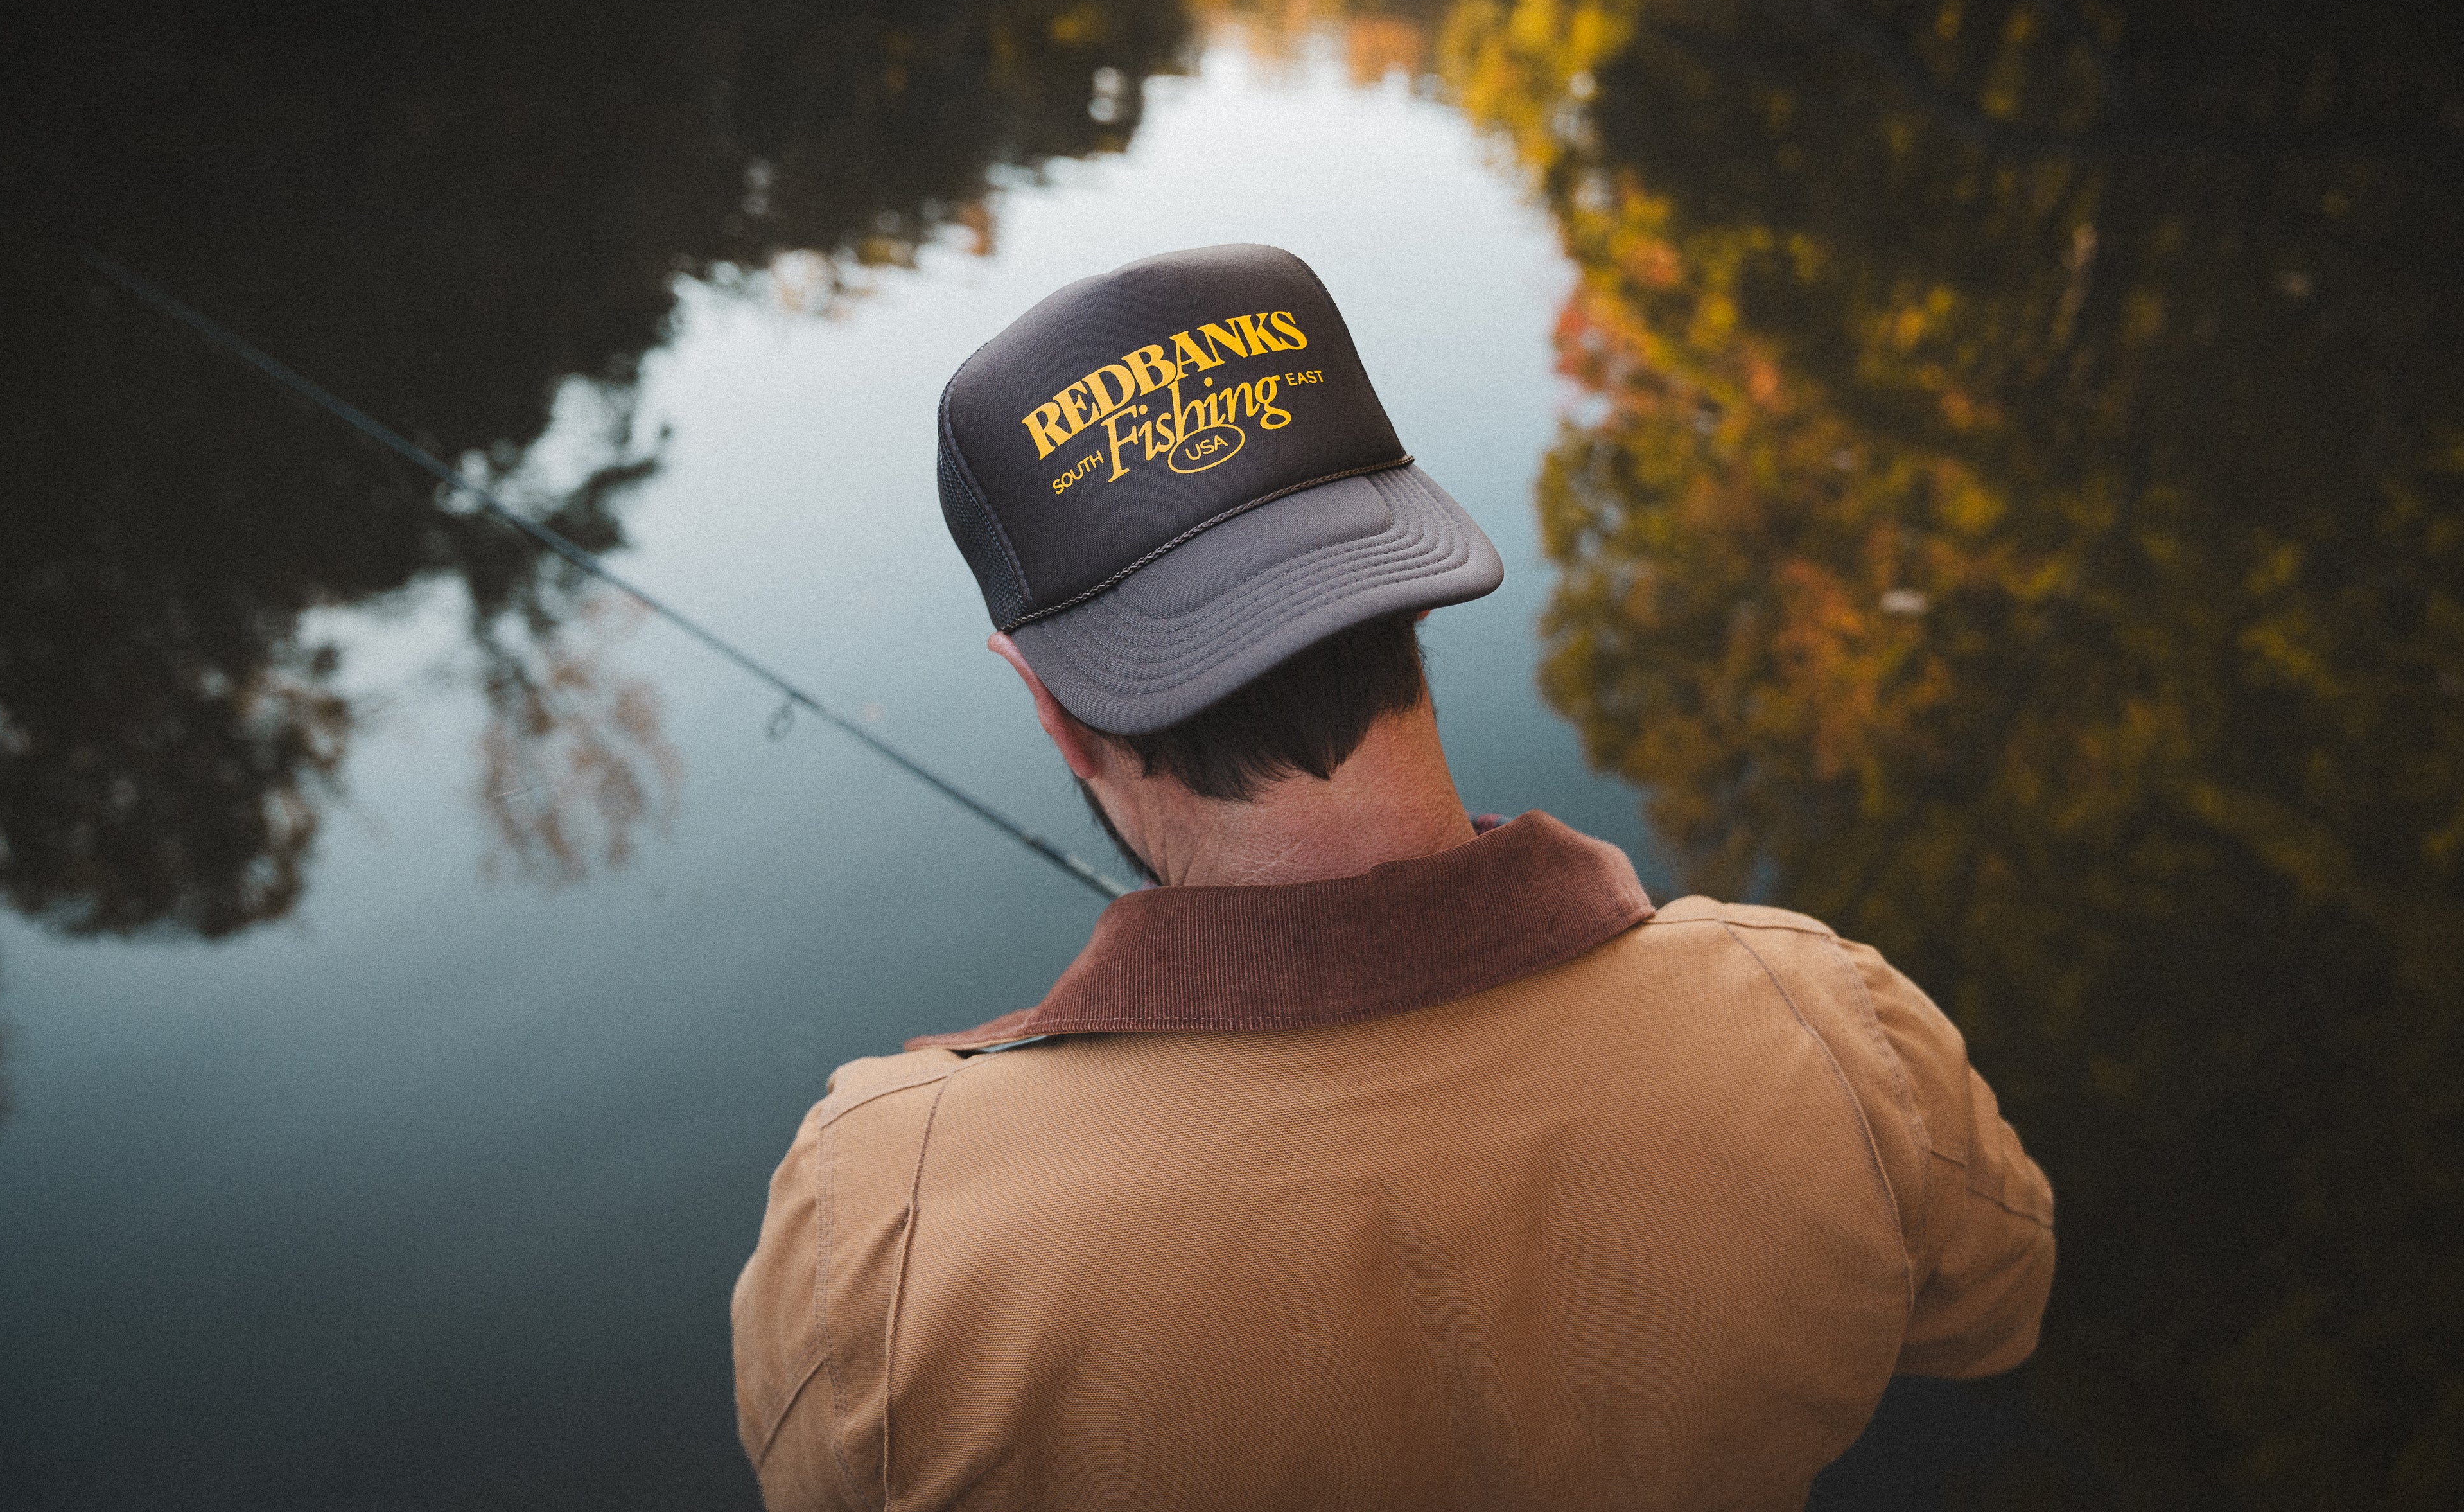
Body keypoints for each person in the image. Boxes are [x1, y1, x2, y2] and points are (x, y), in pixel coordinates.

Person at [731, 244, 2055, 1510]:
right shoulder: (1832, 1028)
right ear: (1412, 587)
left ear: (1052, 709)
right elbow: (1997, 1308)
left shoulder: (883, 1228)